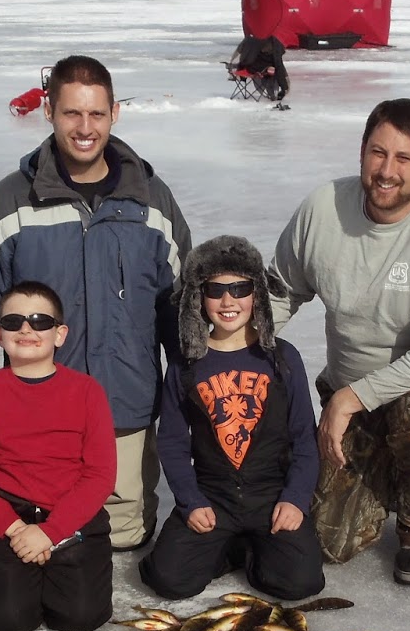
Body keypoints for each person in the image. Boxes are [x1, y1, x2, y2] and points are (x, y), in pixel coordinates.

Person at [0, 54, 191, 551]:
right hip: (31, 425)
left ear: (114, 113)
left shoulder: (152, 202)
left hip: (124, 414)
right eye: (72, 113)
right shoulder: (11, 203)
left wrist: (197, 394)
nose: (85, 128)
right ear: (48, 112)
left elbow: (182, 317)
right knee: (38, 549)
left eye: (96, 113)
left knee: (121, 544)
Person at [269, 98, 410, 587]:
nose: (387, 171)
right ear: (363, 151)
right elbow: (280, 291)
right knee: (322, 541)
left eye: (403, 158)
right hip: (353, 399)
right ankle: (382, 470)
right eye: (378, 153)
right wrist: (232, 349)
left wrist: (349, 398)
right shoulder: (323, 208)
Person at [138, 235, 324, 602]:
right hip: (214, 495)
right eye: (215, 290)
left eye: (240, 289)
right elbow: (173, 443)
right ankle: (225, 546)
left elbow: (304, 437)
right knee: (168, 580)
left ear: (257, 294)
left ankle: (250, 548)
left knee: (301, 582)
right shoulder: (186, 364)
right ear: (198, 297)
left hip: (270, 494)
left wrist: (295, 498)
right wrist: (190, 501)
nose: (228, 301)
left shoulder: (282, 358)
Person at [0, 280, 117, 631]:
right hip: (11, 517)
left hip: (71, 517)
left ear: (59, 334)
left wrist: (50, 533)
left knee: (81, 616)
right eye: (13, 322)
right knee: (6, 619)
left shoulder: (87, 392)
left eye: (40, 321)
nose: (26, 329)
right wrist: (16, 530)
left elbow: (100, 475)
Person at [228, 34, 289, 103]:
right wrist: (284, 87)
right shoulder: (274, 42)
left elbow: (239, 53)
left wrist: (232, 63)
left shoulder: (249, 39)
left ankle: (276, 89)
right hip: (262, 70)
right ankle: (277, 90)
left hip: (248, 68)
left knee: (272, 68)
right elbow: (279, 63)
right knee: (274, 69)